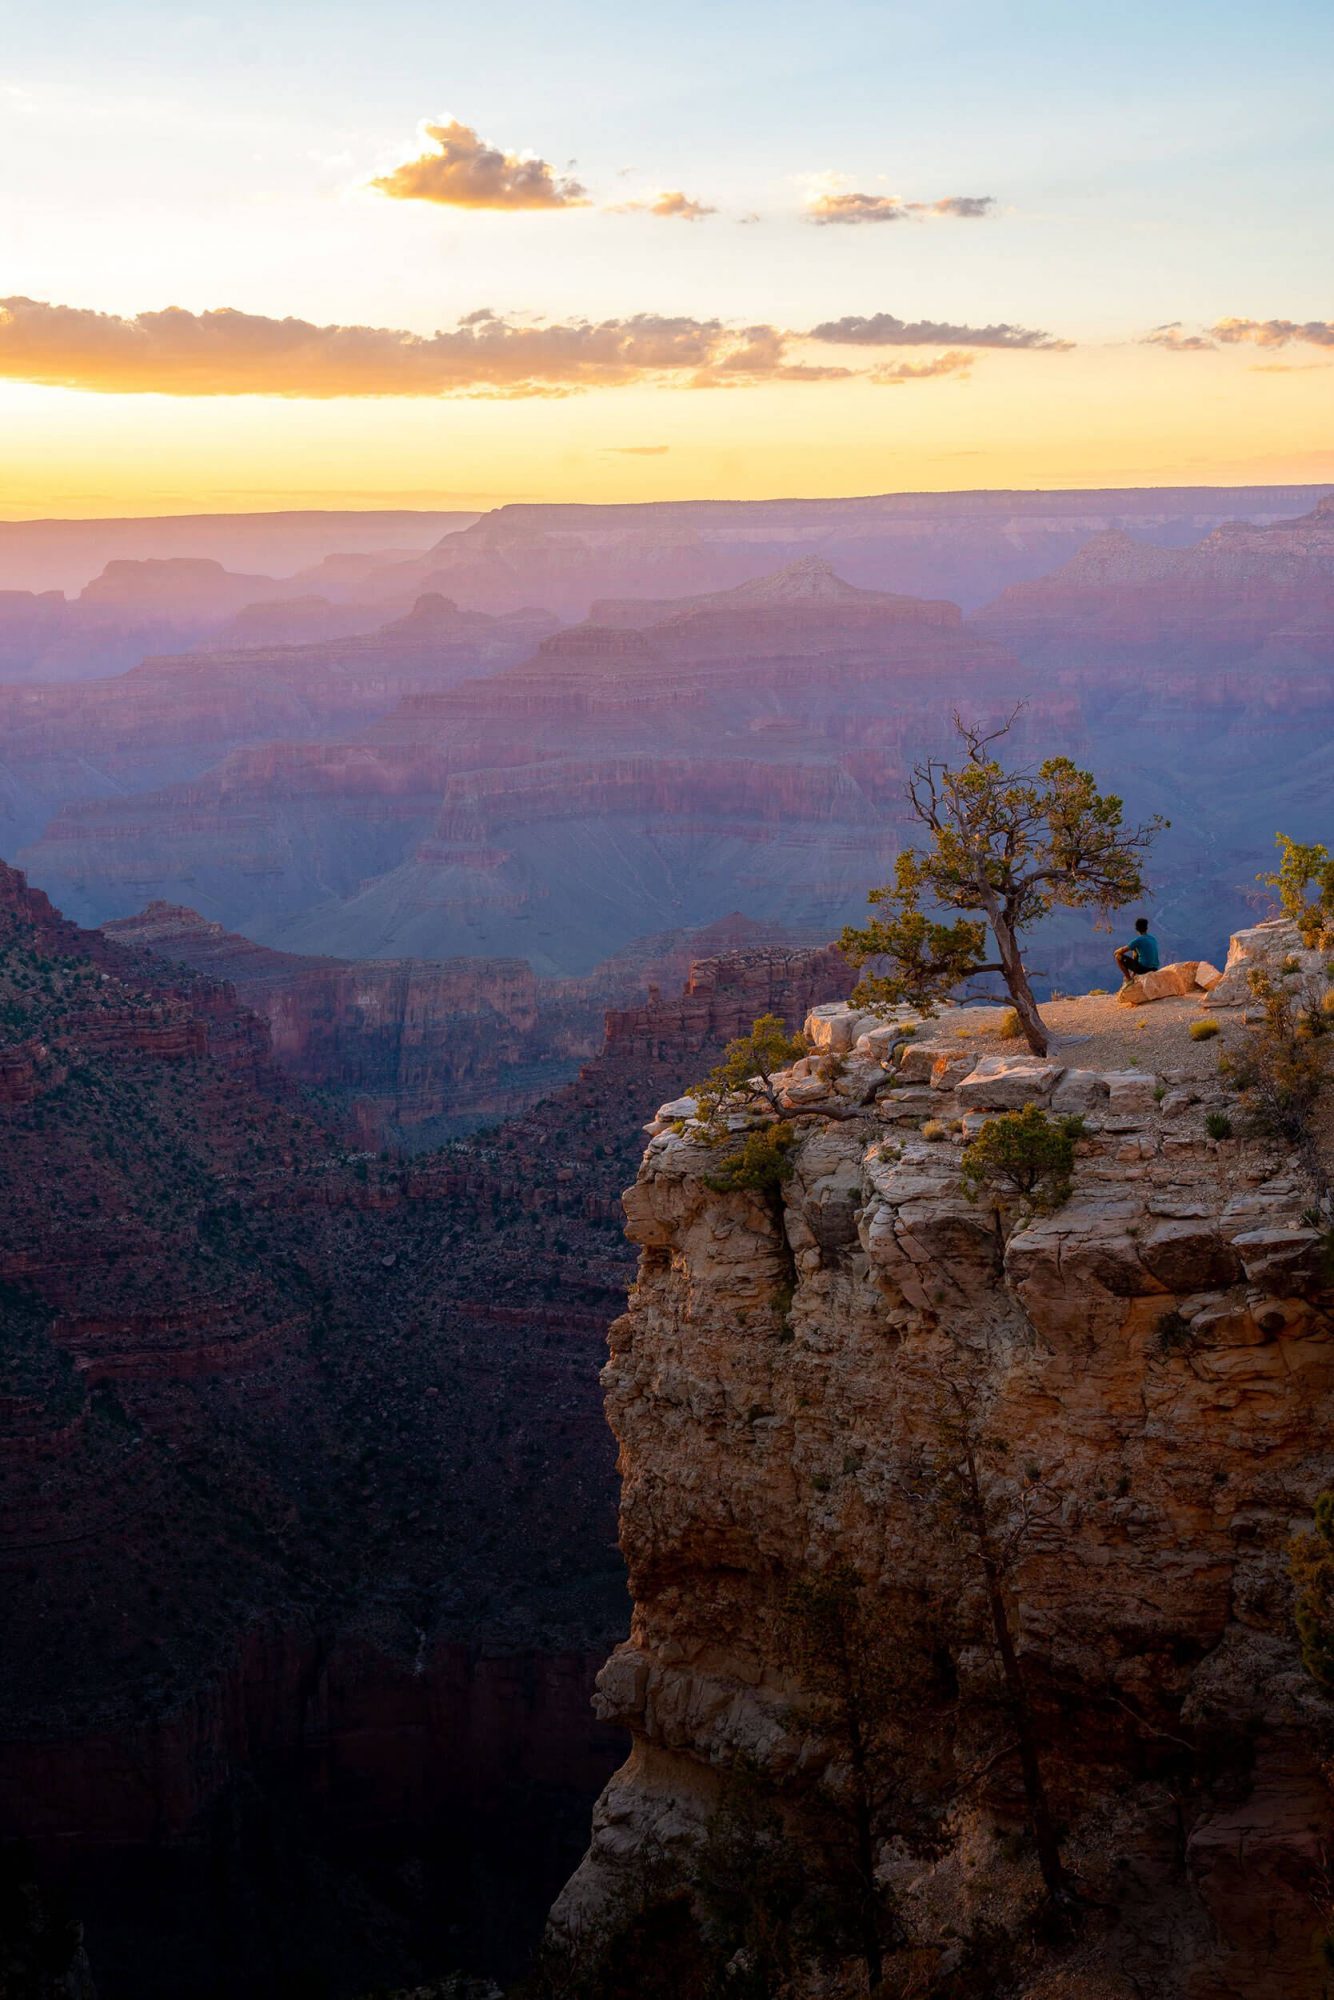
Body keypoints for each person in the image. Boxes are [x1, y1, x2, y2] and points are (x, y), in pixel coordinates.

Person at [1115, 917, 1160, 984]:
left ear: (1136, 929)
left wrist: (1116, 951)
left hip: (1143, 969)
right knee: (1136, 950)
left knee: (1117, 956)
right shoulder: (1153, 938)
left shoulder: (1138, 940)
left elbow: (1122, 951)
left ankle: (1129, 979)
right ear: (1146, 928)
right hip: (1155, 969)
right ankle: (1134, 975)